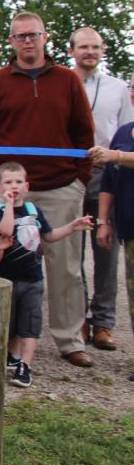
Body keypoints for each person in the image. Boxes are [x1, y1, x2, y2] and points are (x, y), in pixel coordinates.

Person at [0, 11, 95, 367]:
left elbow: (84, 132)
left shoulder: (67, 80)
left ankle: (70, 339)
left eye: (33, 35)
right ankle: (4, 338)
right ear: (11, 41)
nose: (28, 41)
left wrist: (79, 179)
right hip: (8, 192)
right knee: (5, 264)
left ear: (45, 38)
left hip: (59, 186)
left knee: (65, 267)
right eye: (20, 36)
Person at [0, 162, 94, 388]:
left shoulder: (34, 211)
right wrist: (8, 204)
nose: (13, 186)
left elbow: (50, 236)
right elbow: (5, 231)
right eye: (8, 182)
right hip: (4, 279)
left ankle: (26, 365)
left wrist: (72, 226)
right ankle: (11, 356)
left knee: (30, 323)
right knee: (9, 322)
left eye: (18, 182)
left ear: (26, 186)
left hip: (33, 278)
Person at [69, 27, 134, 352]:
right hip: (69, 175)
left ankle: (104, 323)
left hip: (109, 176)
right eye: (83, 47)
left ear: (103, 50)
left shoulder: (118, 88)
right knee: (71, 253)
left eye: (95, 47)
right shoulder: (63, 83)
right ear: (72, 50)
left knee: (106, 250)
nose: (89, 52)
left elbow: (125, 131)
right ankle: (78, 319)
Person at [90, 79, 134, 380]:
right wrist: (104, 221)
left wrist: (115, 155)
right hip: (129, 228)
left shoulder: (118, 146)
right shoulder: (123, 132)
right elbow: (108, 182)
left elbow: (114, 160)